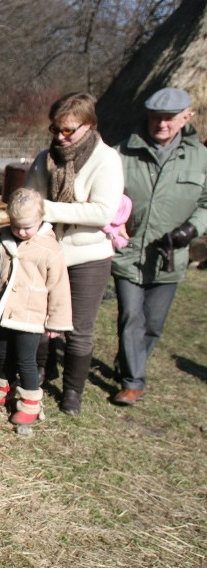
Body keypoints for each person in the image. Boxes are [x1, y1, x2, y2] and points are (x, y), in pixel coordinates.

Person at [24, 92, 125, 415]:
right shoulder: (46, 158)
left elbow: (102, 212)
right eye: (55, 129)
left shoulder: (106, 159)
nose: (60, 137)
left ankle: (72, 392)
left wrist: (47, 209)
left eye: (68, 130)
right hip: (47, 251)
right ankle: (40, 371)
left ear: (89, 125)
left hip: (89, 256)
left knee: (79, 329)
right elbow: (28, 199)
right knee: (38, 320)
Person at [111, 87, 207, 405]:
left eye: (169, 119)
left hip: (170, 257)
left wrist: (193, 228)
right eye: (155, 118)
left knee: (152, 324)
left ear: (186, 118)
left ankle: (129, 361)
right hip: (128, 252)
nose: (161, 125)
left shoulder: (201, 158)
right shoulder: (123, 153)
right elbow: (104, 194)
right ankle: (133, 381)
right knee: (131, 316)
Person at [0, 188, 72, 426]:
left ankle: (31, 402)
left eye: (27, 227)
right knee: (3, 353)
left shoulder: (49, 249)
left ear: (41, 219)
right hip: (2, 311)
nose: (21, 232)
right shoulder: (1, 241)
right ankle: (3, 388)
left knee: (26, 360)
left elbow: (59, 288)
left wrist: (56, 322)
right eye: (16, 226)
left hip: (30, 316)